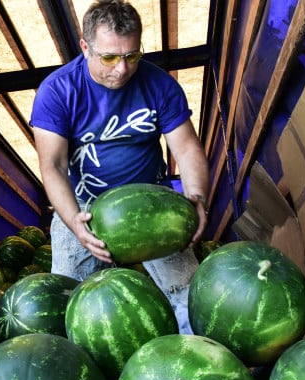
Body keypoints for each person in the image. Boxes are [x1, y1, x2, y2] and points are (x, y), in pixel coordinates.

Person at [29, 0, 210, 334]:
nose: (123, 69)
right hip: (85, 206)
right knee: (68, 303)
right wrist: (74, 222)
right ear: (85, 47)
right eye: (109, 57)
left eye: (132, 56)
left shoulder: (160, 84)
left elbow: (186, 149)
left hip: (152, 202)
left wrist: (197, 196)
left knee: (190, 296)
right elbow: (51, 166)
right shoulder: (57, 91)